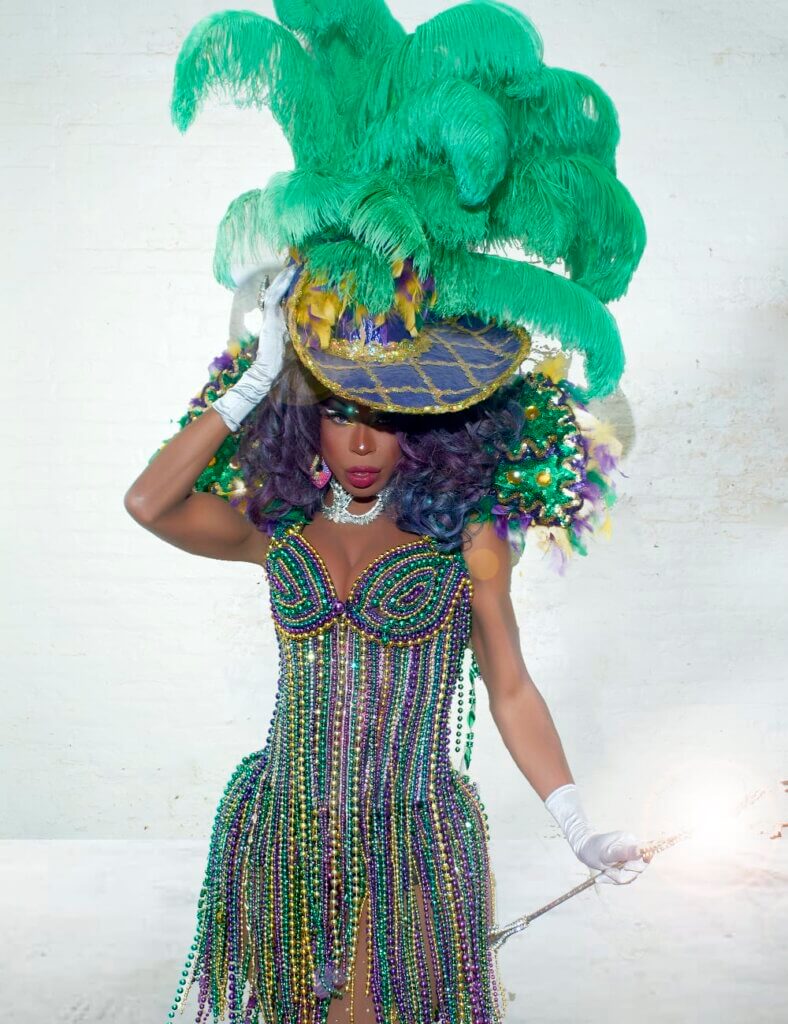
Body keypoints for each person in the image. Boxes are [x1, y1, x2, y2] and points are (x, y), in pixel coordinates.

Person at [124, 2, 651, 1020]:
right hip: (277, 825)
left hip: (408, 838)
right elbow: (150, 502)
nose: (360, 440)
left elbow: (507, 686)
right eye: (338, 413)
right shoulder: (275, 527)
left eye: (386, 418)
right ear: (308, 422)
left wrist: (576, 821)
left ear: (431, 427)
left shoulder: (468, 540)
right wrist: (254, 376)